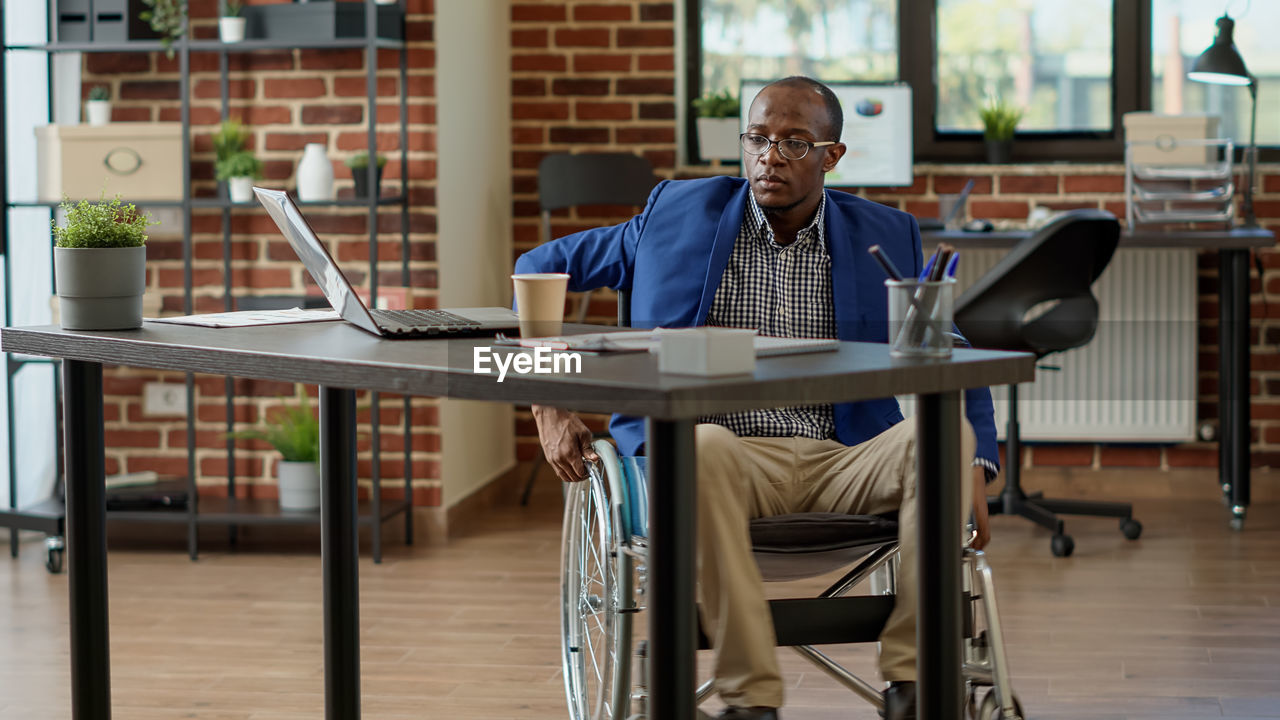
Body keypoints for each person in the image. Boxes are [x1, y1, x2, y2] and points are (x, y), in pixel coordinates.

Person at [516, 76, 999, 720]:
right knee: (703, 444)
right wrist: (548, 403)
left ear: (832, 156)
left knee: (939, 439)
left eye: (795, 143)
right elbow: (538, 265)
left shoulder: (883, 233)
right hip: (719, 458)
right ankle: (751, 700)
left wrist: (975, 463)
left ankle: (914, 686)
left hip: (840, 457)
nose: (770, 156)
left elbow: (949, 347)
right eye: (758, 139)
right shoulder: (675, 214)